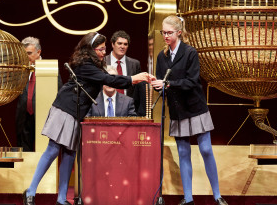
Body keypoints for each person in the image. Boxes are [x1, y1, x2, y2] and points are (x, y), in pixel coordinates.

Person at [22, 32, 152, 205]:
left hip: (77, 112)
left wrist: (135, 78)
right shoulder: (85, 64)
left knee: (69, 154)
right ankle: (30, 191)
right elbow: (108, 79)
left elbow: (109, 77)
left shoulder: (96, 64)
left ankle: (61, 198)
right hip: (65, 108)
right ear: (90, 49)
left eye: (104, 48)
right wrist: (133, 79)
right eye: (100, 49)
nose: (103, 52)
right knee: (53, 149)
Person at [151, 15, 228, 205]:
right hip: (178, 110)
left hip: (195, 108)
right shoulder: (162, 56)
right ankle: (188, 198)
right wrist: (156, 84)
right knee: (183, 153)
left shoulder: (190, 52)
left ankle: (217, 196)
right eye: (163, 32)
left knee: (206, 149)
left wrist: (167, 84)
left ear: (179, 32)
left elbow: (192, 82)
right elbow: (161, 79)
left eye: (169, 32)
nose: (166, 36)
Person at [16, 36, 62, 152]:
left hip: (44, 117)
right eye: (23, 53)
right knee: (24, 152)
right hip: (24, 116)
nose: (26, 57)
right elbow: (11, 91)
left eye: (29, 53)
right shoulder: (21, 69)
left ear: (38, 52)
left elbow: (60, 93)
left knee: (43, 151)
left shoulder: (49, 69)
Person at [105, 30, 141, 97]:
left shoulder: (135, 64)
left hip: (128, 105)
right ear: (112, 44)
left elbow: (138, 90)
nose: (122, 46)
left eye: (125, 44)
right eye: (119, 43)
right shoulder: (102, 62)